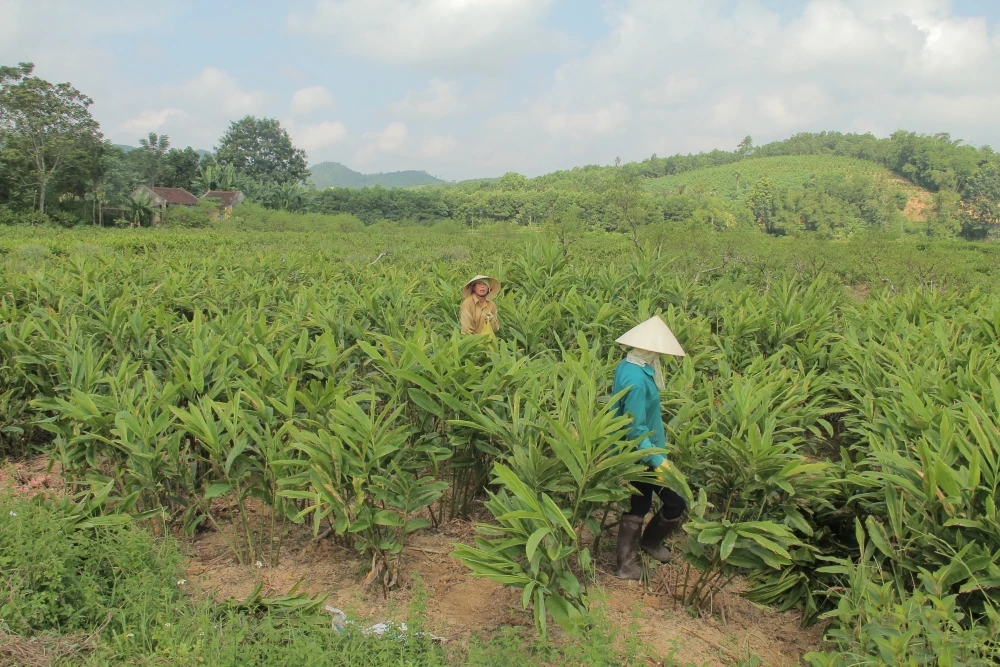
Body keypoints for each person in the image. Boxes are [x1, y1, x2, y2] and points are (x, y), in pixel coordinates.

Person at [612, 315, 688, 580]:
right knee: (674, 502)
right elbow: (634, 427)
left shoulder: (630, 364)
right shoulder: (636, 380)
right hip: (642, 451)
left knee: (639, 503)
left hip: (644, 448)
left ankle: (640, 551)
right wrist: (657, 461)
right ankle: (631, 560)